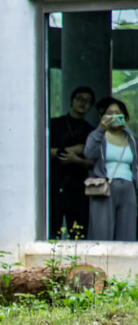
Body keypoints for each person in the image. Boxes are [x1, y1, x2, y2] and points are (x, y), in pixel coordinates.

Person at [85, 97, 138, 241]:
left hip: (128, 187)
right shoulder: (99, 136)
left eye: (117, 113)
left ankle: (126, 263)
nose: (114, 116)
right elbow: (88, 152)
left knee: (127, 231)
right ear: (103, 117)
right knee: (102, 230)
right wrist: (101, 129)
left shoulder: (132, 138)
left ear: (125, 116)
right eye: (109, 113)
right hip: (105, 187)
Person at [49, 87, 95, 239]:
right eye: (79, 99)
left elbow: (93, 162)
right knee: (52, 231)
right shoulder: (54, 124)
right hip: (55, 184)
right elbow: (42, 151)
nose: (83, 103)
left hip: (78, 187)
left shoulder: (91, 131)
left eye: (87, 101)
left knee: (79, 234)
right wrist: (70, 150)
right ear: (71, 101)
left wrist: (77, 160)